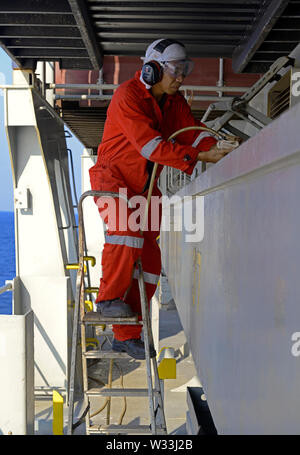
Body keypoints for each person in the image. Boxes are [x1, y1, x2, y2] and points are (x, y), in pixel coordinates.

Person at [89, 38, 236, 359]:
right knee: (126, 232)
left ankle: (126, 335)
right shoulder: (127, 97)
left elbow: (190, 131)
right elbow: (150, 146)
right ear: (152, 68)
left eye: (185, 70)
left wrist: (218, 144)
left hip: (145, 186)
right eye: (175, 70)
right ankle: (106, 301)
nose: (181, 77)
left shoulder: (174, 102)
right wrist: (200, 157)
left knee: (150, 261)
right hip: (113, 180)